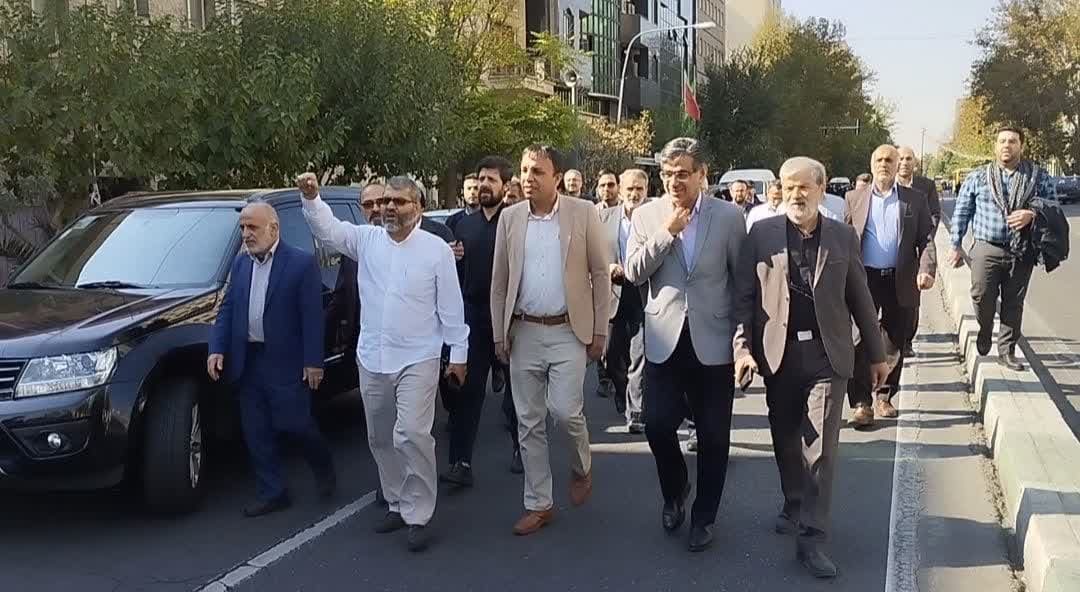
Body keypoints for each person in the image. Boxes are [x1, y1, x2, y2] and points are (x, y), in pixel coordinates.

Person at [733, 157, 889, 578]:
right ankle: (794, 501)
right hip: (779, 356)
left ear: (822, 190)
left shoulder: (842, 236)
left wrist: (876, 355)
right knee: (786, 440)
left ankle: (813, 538)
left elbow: (860, 297)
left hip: (827, 355)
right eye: (789, 187)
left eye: (804, 187)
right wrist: (742, 349)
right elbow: (744, 297)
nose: (796, 195)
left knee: (819, 450)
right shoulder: (761, 233)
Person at [298, 173, 469, 552]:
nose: (388, 207)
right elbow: (328, 229)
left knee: (411, 434)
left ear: (417, 208)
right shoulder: (367, 239)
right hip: (372, 356)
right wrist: (311, 198)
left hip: (418, 357)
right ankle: (396, 502)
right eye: (385, 200)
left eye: (398, 201)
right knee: (380, 435)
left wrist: (458, 355)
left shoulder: (435, 249)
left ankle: (419, 514)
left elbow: (451, 307)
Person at [624, 137, 746, 552]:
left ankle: (704, 518)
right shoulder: (646, 215)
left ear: (701, 175)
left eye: (682, 174)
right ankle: (675, 490)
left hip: (714, 340)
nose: (674, 181)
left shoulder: (728, 217)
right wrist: (666, 233)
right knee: (657, 426)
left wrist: (742, 341)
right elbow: (634, 272)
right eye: (667, 174)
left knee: (714, 437)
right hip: (665, 339)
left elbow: (740, 282)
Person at [490, 144, 610, 536]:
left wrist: (600, 330)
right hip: (523, 331)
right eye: (525, 170)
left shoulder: (582, 212)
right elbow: (499, 282)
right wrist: (499, 334)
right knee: (528, 422)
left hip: (567, 331)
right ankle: (538, 504)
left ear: (557, 177)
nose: (528, 178)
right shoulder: (510, 218)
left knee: (564, 411)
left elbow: (600, 273)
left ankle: (582, 466)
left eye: (538, 171)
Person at [207, 202, 336, 518]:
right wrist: (216, 347)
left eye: (252, 227)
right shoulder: (241, 264)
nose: (246, 234)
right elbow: (228, 308)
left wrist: (313, 361)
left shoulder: (300, 263)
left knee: (296, 424)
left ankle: (323, 467)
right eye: (242, 228)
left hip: (286, 361)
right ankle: (273, 492)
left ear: (273, 228)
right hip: (248, 360)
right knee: (256, 431)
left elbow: (311, 317)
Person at [441, 156, 521, 487]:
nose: (484, 185)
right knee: (467, 392)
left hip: (511, 318)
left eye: (491, 180)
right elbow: (454, 276)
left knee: (519, 393)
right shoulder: (464, 225)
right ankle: (460, 462)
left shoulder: (517, 222)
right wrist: (451, 257)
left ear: (506, 185)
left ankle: (522, 449)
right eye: (480, 179)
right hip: (473, 317)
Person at [949, 126, 1057, 371]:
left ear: (1021, 146)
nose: (1007, 145)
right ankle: (985, 328)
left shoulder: (1037, 177)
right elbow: (962, 212)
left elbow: (1053, 208)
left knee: (1013, 302)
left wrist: (1032, 214)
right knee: (981, 294)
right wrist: (955, 245)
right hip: (986, 248)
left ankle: (1006, 351)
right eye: (1002, 141)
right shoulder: (978, 177)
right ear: (995, 146)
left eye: (1012, 141)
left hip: (1022, 249)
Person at [844, 145, 936, 426]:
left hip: (900, 278)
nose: (884, 164)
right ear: (872, 164)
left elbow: (926, 239)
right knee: (859, 338)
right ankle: (861, 402)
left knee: (895, 340)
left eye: (889, 160)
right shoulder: (854, 198)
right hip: (864, 279)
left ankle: (885, 396)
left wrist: (926, 269)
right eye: (879, 160)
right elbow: (844, 238)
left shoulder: (914, 199)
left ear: (898, 166)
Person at [599, 168, 650, 433]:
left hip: (643, 293)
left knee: (640, 354)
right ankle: (622, 391)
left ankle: (636, 411)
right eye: (629, 188)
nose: (634, 193)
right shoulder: (603, 217)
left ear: (646, 190)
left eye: (639, 188)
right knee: (611, 353)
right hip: (614, 292)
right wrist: (607, 266)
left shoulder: (653, 217)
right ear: (620, 189)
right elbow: (593, 252)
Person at [897, 146, 943, 356]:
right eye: (900, 158)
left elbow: (934, 214)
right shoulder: (885, 186)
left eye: (908, 158)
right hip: (889, 252)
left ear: (914, 162)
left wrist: (923, 235)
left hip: (913, 251)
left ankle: (907, 341)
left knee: (910, 300)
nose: (904, 163)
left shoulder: (926, 186)